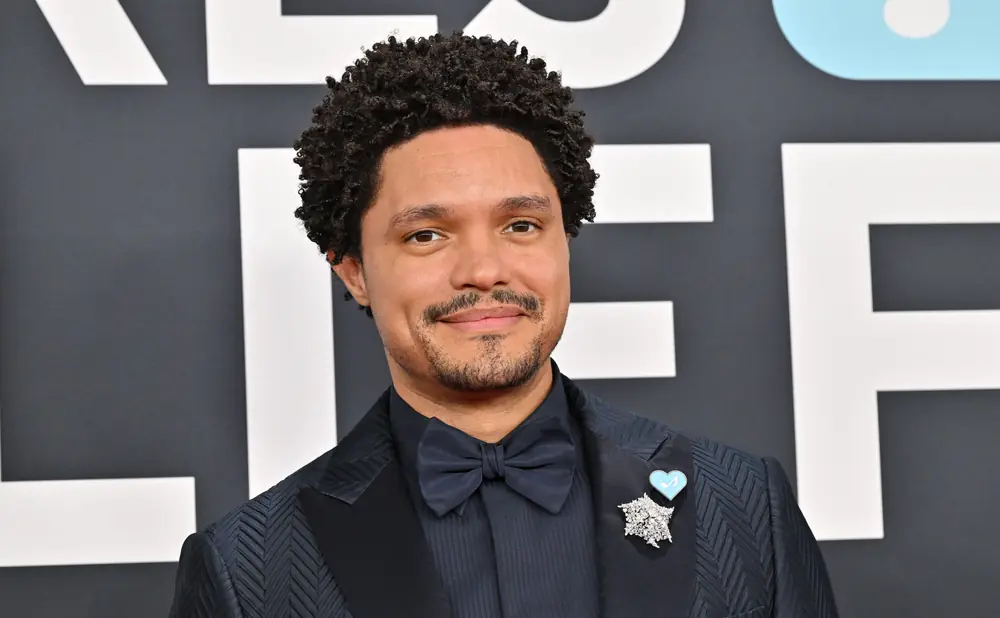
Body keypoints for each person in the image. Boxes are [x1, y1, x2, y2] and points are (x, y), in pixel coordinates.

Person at [168, 31, 838, 618]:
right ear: (354, 273)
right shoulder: (248, 570)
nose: (484, 270)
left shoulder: (743, 504)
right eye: (427, 235)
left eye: (520, 225)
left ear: (564, 240)